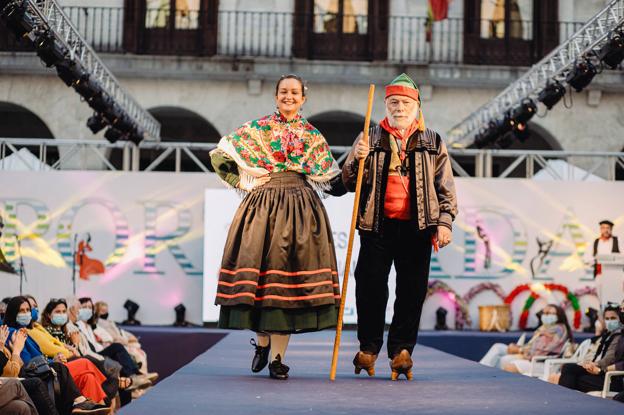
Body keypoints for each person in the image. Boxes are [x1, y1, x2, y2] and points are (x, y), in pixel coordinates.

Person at [209, 74, 346, 380]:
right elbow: (220, 155)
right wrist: (244, 181)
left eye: (294, 92)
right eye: (284, 91)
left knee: (287, 290)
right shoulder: (256, 128)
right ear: (275, 96)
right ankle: (262, 343)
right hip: (262, 208)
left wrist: (354, 165)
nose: (289, 96)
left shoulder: (312, 135)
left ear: (303, 98)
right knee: (260, 282)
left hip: (301, 210)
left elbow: (334, 182)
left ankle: (278, 359)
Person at [342, 73, 457, 380]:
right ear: (386, 105)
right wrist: (356, 157)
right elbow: (347, 181)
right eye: (393, 102)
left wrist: (444, 223)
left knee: (412, 291)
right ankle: (368, 348)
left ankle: (402, 352)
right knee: (369, 287)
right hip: (376, 226)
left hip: (417, 228)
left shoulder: (433, 141)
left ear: (416, 106)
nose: (399, 108)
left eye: (405, 103)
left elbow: (445, 188)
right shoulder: (370, 137)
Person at [3, 297, 110, 415]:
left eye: (28, 310)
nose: (26, 313)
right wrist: (59, 356)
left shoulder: (28, 330)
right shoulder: (13, 333)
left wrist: (53, 359)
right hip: (37, 373)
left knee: (88, 377)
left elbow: (43, 353)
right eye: (21, 311)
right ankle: (108, 388)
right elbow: (29, 362)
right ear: (13, 313)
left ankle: (86, 405)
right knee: (84, 362)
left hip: (45, 367)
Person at [75, 298, 151, 390]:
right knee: (117, 347)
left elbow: (103, 338)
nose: (88, 309)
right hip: (93, 354)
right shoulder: (78, 325)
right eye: (84, 307)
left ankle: (134, 376)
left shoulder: (91, 325)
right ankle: (134, 375)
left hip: (99, 350)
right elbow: (87, 347)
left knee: (120, 353)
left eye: (90, 307)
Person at [480, 304, 572, 374]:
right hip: (531, 356)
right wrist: (519, 348)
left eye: (549, 313)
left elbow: (542, 350)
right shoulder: (545, 327)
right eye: (544, 313)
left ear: (559, 315)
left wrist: (520, 350)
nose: (545, 315)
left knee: (502, 360)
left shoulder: (557, 330)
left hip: (539, 361)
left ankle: (482, 371)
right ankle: (482, 371)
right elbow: (534, 346)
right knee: (498, 349)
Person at [558, 304, 624, 393]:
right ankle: (566, 400)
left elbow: (610, 358)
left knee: (569, 370)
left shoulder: (619, 336)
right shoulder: (607, 334)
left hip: (612, 376)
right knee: (571, 374)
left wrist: (595, 365)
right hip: (603, 370)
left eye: (613, 318)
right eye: (607, 319)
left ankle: (564, 400)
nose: (609, 321)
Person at [93, 301, 155, 381]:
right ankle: (136, 376)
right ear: (97, 312)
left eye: (106, 311)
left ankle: (138, 375)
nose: (105, 313)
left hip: (120, 342)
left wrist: (131, 337)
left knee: (140, 353)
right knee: (127, 351)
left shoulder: (110, 322)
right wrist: (126, 340)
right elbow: (112, 337)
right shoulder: (99, 323)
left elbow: (120, 331)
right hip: (107, 346)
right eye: (103, 311)